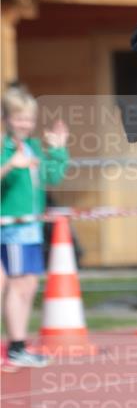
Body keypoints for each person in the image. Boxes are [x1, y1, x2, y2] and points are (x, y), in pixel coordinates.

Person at [1, 85, 69, 367]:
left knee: (27, 286)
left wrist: (58, 150)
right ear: (6, 118)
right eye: (19, 118)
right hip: (10, 226)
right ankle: (16, 347)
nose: (25, 124)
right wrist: (9, 166)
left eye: (29, 118)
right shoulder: (4, 148)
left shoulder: (34, 147)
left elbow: (53, 177)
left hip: (30, 227)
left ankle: (18, 345)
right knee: (16, 285)